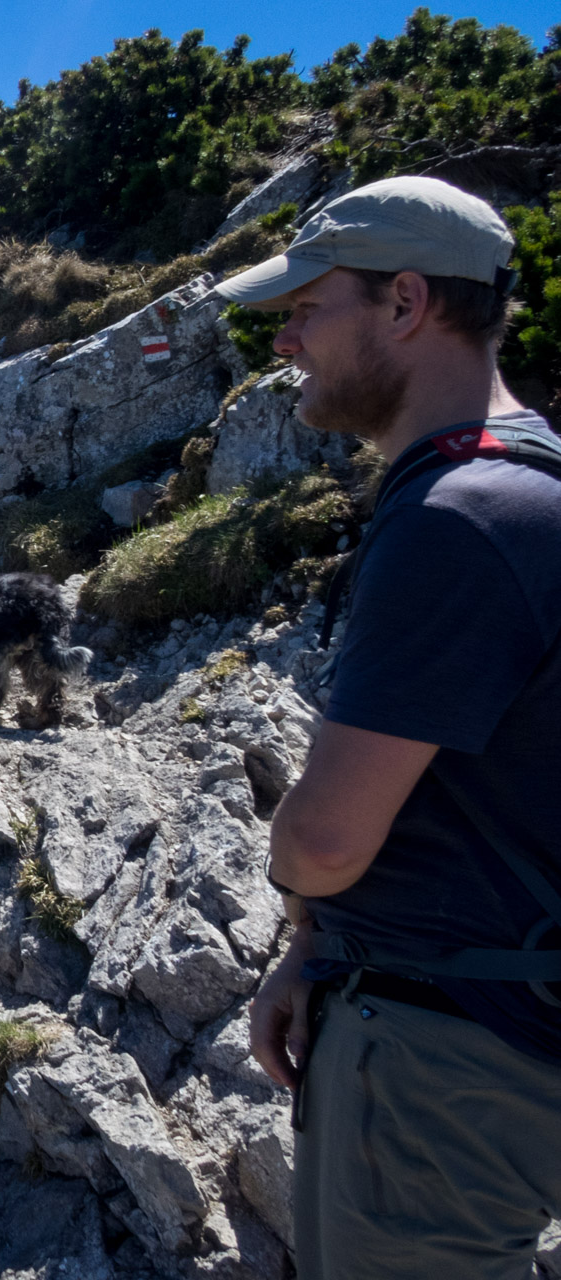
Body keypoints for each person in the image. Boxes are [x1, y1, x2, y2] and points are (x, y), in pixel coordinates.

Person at [227, 175, 561, 1279]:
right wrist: (318, 950)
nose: (285, 342)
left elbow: (325, 836)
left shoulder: (455, 516)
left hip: (444, 1053)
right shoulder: (534, 477)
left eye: (304, 308)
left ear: (405, 302)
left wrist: (298, 896)